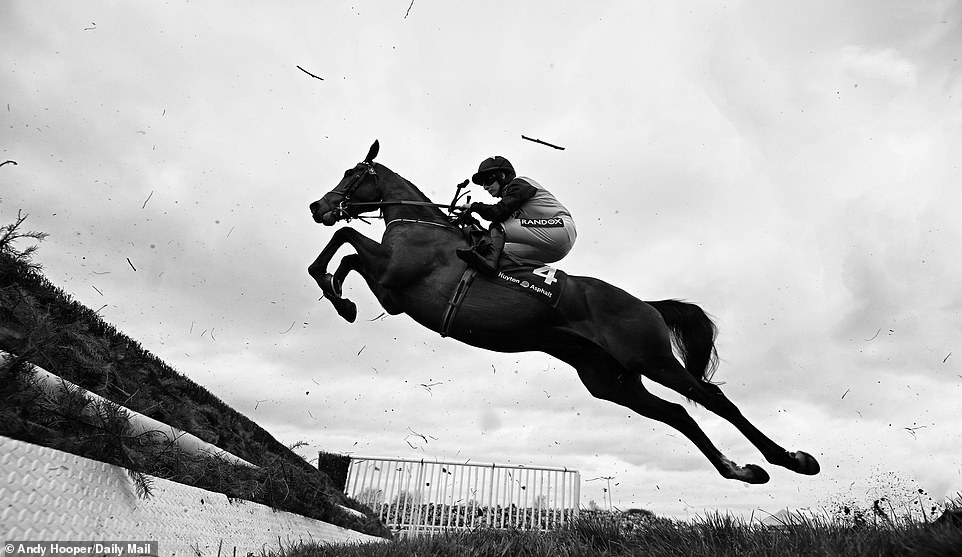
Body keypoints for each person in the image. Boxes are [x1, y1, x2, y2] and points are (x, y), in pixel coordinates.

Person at [456, 155, 577, 274]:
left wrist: (474, 206)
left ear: (502, 175)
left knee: (498, 226)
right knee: (497, 250)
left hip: (561, 228)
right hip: (552, 252)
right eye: (482, 184)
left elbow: (497, 214)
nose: (485, 187)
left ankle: (489, 264)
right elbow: (494, 237)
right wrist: (473, 222)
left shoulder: (519, 183)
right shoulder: (511, 202)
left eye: (488, 180)